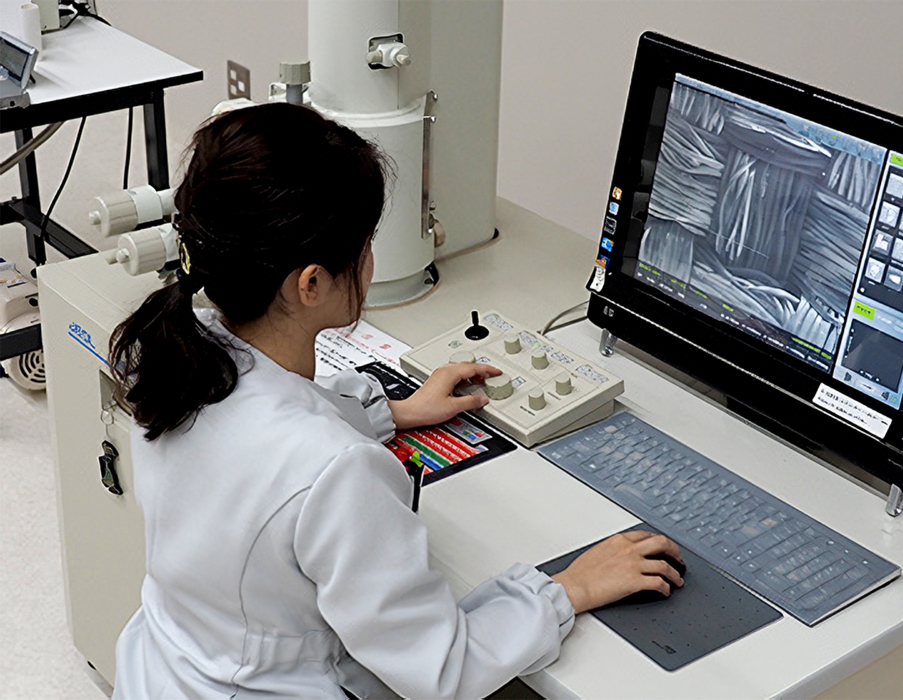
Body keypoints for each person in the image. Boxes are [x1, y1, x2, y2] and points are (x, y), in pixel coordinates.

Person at [109, 102, 684, 699]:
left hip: (164, 674)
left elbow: (268, 433)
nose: (369, 259)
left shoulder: (177, 357)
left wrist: (391, 412)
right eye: (364, 244)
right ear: (311, 283)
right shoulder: (335, 471)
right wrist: (568, 590)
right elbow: (440, 670)